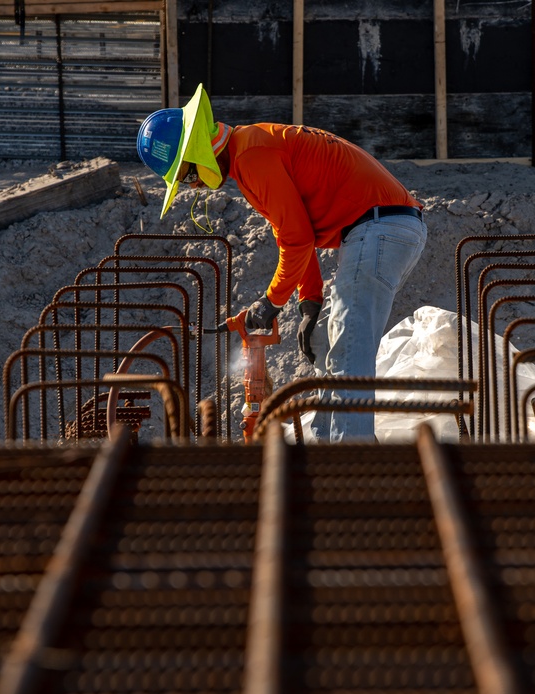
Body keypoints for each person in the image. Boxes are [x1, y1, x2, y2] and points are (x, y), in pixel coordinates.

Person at [137, 84, 426, 442]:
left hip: (380, 227)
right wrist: (310, 302)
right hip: (382, 228)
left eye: (187, 176)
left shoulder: (253, 156)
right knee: (331, 346)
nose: (193, 187)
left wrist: (273, 301)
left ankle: (352, 459)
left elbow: (298, 238)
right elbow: (292, 230)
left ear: (196, 152)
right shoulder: (249, 152)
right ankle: (325, 439)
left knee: (351, 350)